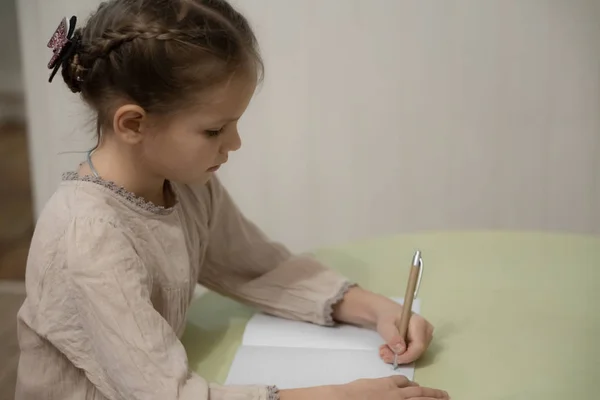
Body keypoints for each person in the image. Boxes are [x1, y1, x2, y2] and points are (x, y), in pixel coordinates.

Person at [15, 1, 450, 399]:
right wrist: (337, 396)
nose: (235, 144)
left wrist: (377, 310)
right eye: (214, 131)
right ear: (133, 123)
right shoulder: (88, 239)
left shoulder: (184, 183)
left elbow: (257, 267)